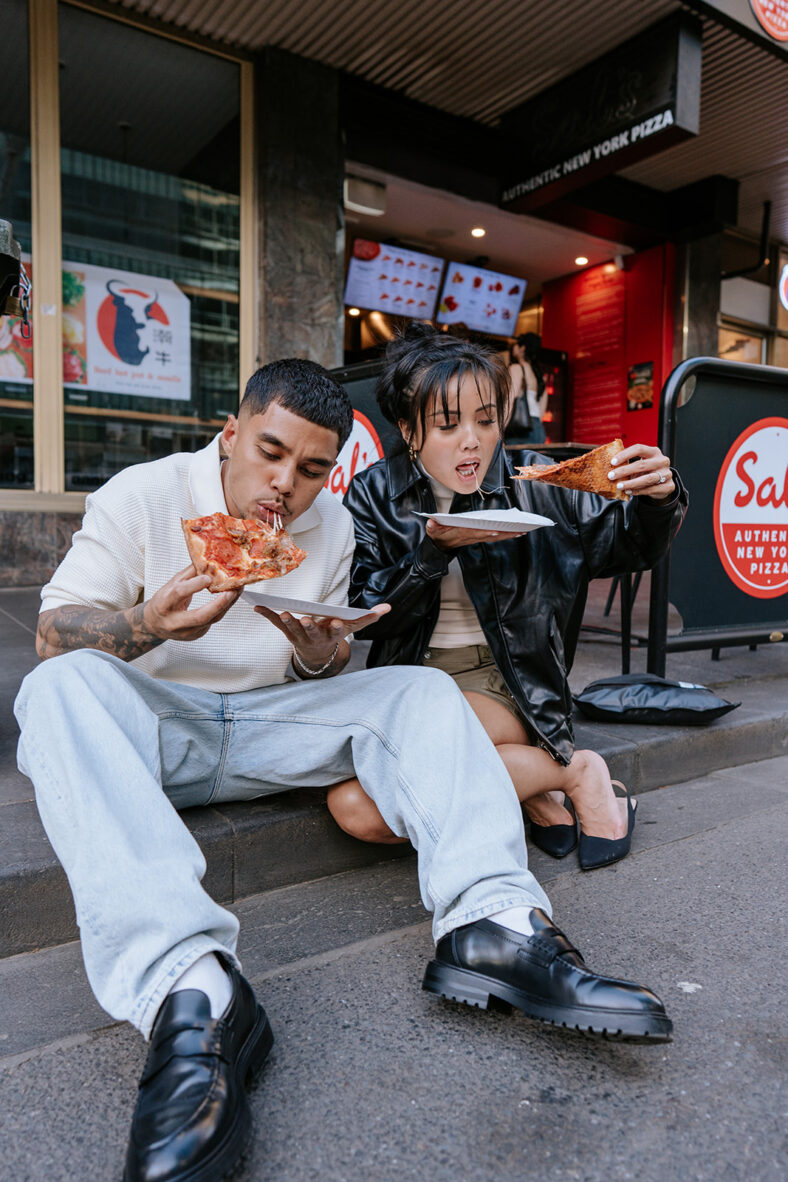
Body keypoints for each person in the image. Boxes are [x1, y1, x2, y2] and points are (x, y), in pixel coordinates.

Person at [15, 358, 674, 1182]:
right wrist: (148, 622)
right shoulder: (139, 495)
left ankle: (495, 926)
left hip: (268, 728)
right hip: (160, 728)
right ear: (231, 434)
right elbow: (51, 632)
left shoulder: (327, 525)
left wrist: (323, 657)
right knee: (56, 690)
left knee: (422, 691)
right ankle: (194, 995)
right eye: (270, 453)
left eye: (313, 468)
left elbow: (317, 674)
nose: (285, 486)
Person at [328, 326, 687, 872]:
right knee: (353, 809)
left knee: (431, 751)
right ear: (409, 429)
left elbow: (630, 545)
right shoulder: (373, 493)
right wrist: (430, 554)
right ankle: (544, 780)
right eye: (448, 425)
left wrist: (660, 499)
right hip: (410, 675)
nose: (471, 439)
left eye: (486, 420)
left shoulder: (539, 482)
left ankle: (573, 774)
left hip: (509, 677)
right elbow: (366, 615)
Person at [504, 331, 548, 446]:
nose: (514, 347)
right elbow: (541, 411)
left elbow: (510, 400)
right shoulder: (540, 376)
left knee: (514, 463)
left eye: (516, 344)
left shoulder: (516, 369)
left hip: (520, 429)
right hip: (538, 429)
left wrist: (500, 428)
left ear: (522, 348)